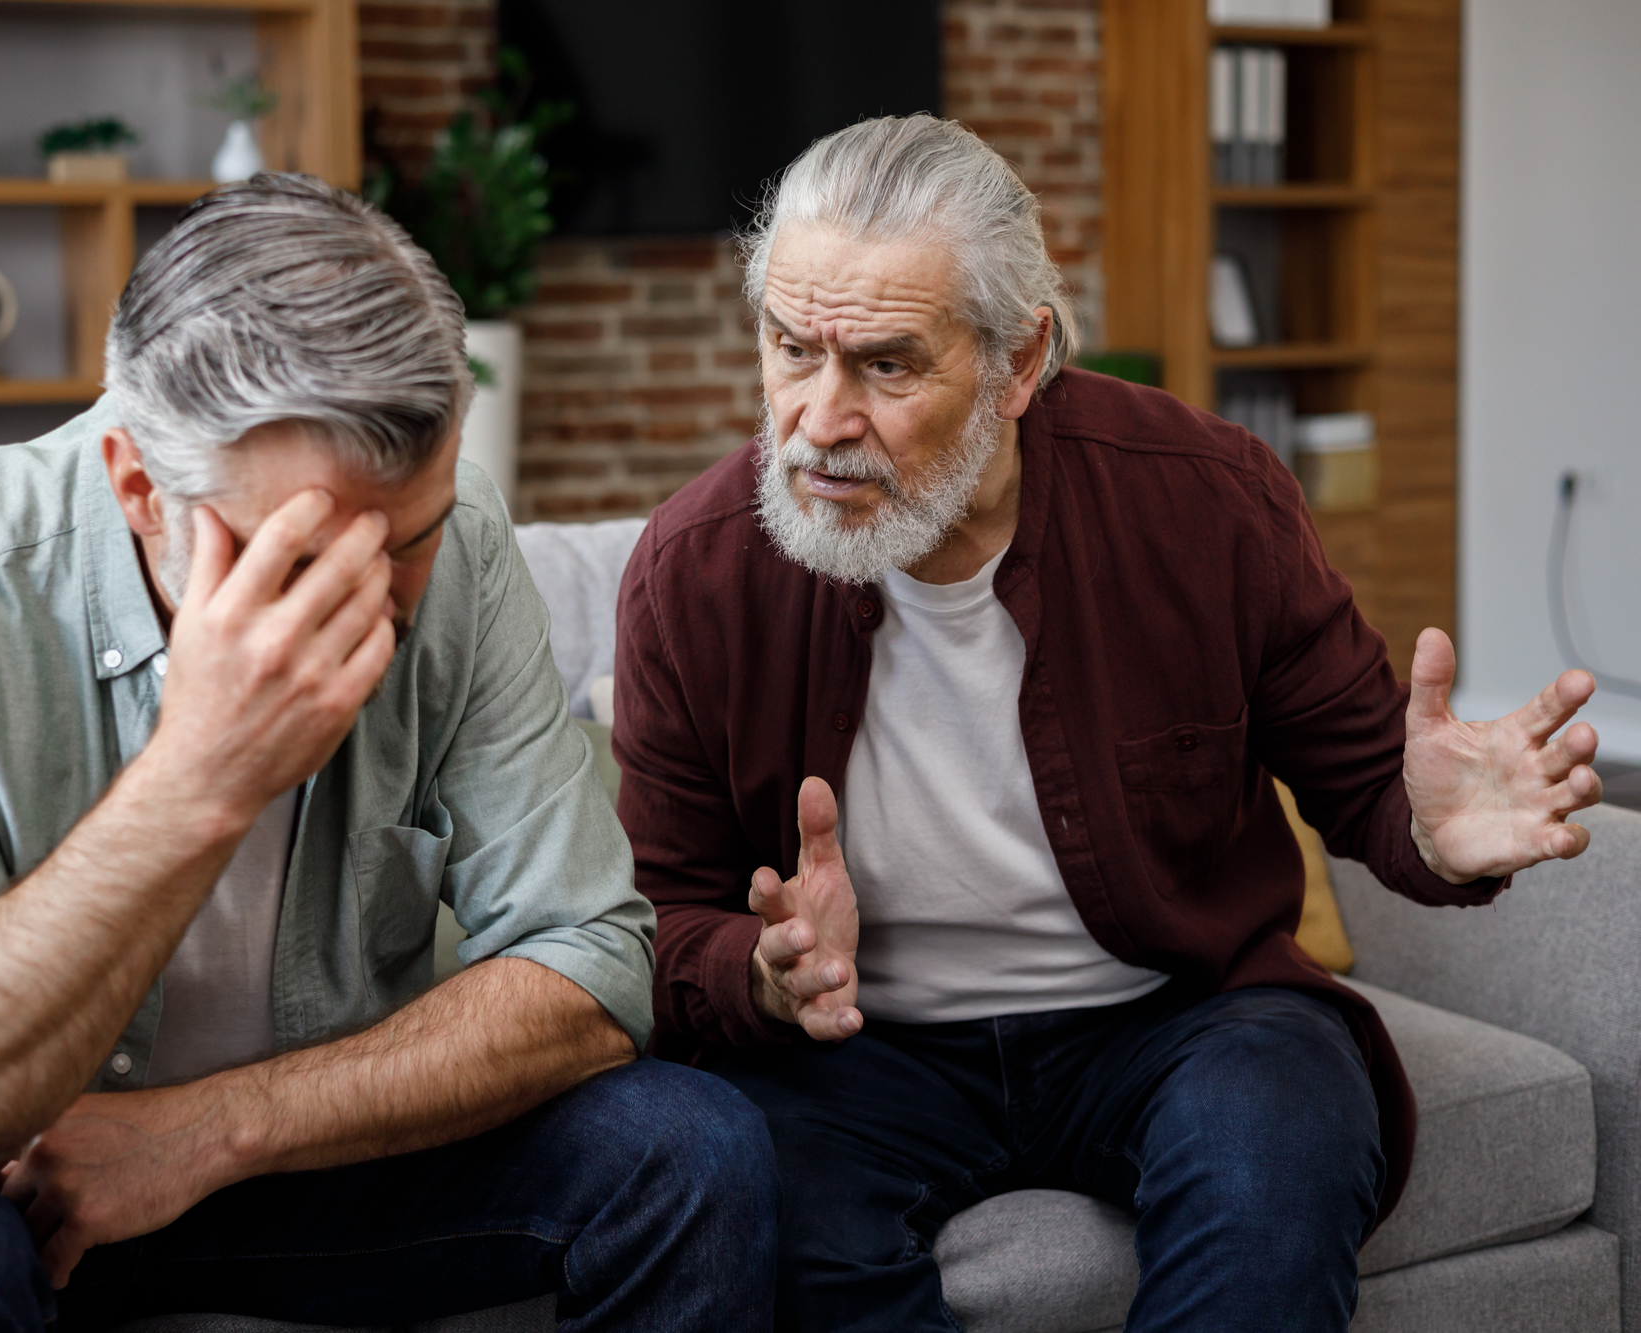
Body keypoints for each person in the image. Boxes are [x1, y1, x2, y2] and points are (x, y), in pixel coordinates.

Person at [0, 174, 777, 1333]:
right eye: (297, 555)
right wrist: (199, 772)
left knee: (695, 1151)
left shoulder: (464, 544)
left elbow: (593, 966)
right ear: (137, 487)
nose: (368, 605)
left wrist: (207, 1131)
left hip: (286, 1159)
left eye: (404, 541)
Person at [612, 115, 1603, 1333]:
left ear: (1018, 362)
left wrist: (1432, 831)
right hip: (860, 1050)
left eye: (884, 364)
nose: (818, 419)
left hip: (1174, 1011)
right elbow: (654, 924)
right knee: (760, 1191)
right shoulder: (695, 573)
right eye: (788, 349)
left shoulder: (1207, 500)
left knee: (1273, 1148)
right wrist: (757, 981)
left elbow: (1365, 786)